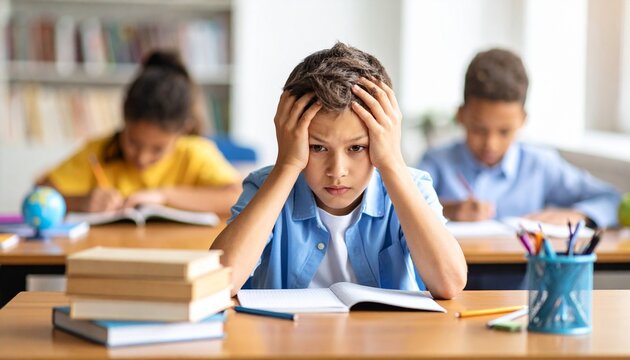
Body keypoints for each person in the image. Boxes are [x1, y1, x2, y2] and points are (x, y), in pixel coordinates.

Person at [211, 43, 467, 299]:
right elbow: (218, 282)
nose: (337, 171)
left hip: (385, 339)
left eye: (356, 147)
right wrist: (287, 165)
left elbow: (449, 283)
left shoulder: (412, 185)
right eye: (318, 147)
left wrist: (392, 162)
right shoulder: (265, 186)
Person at [418, 48, 621, 228]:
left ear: (523, 120)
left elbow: (612, 199)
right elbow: (398, 204)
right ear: (460, 116)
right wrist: (448, 210)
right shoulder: (437, 162)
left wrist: (579, 215)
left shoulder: (540, 164)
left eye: (504, 131)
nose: (491, 144)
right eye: (479, 130)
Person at [39, 51, 241, 214]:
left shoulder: (195, 153)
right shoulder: (99, 150)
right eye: (133, 143)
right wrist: (80, 202)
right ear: (124, 121)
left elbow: (238, 196)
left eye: (158, 149)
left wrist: (164, 196)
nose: (142, 158)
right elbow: (39, 195)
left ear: (182, 131)